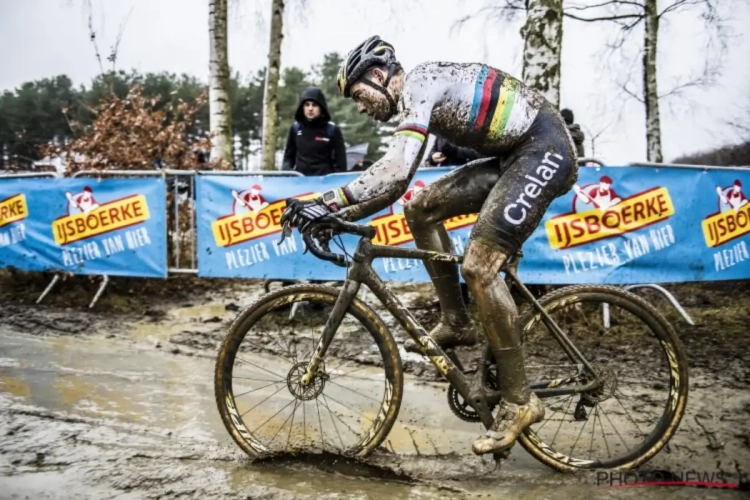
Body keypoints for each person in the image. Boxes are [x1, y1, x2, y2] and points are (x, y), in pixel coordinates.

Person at [280, 35, 578, 457]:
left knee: (478, 267)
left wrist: (325, 201)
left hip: (543, 149)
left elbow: (395, 168)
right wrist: (337, 217)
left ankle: (519, 400)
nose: (360, 107)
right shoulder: (415, 103)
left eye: (359, 96)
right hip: (514, 154)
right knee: (419, 209)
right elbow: (397, 188)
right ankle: (456, 321)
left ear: (380, 76)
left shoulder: (420, 86)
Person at [281, 86, 348, 175]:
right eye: (307, 105)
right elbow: (288, 157)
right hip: (300, 181)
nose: (310, 108)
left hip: (324, 183)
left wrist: (335, 182)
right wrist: (288, 171)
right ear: (302, 107)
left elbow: (341, 163)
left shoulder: (332, 130)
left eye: (314, 105)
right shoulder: (295, 129)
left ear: (321, 107)